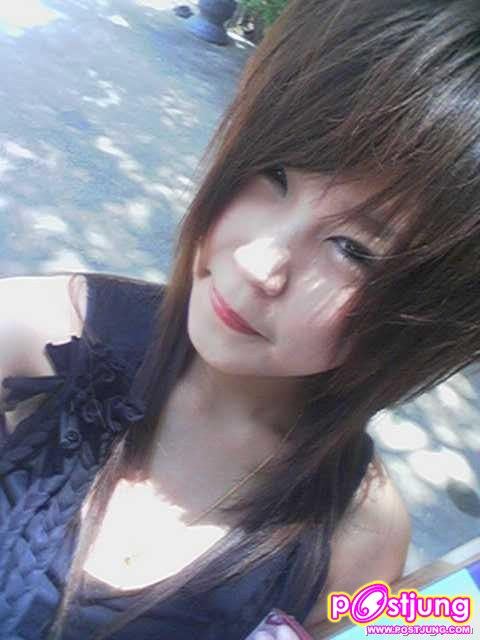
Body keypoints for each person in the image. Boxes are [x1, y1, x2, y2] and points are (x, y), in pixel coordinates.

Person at [1, 0, 479, 638]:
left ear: (427, 318)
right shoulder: (34, 337)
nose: (258, 263)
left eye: (354, 249)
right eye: (273, 174)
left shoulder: (357, 540)